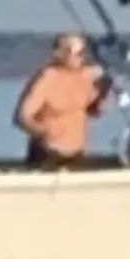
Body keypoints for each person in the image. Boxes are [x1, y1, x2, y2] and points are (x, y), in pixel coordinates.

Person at [14, 31, 111, 166]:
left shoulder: (85, 77)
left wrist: (103, 92)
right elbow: (22, 117)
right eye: (76, 53)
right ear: (59, 53)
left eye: (82, 53)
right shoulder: (47, 79)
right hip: (49, 153)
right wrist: (44, 133)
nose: (80, 58)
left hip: (76, 153)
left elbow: (93, 110)